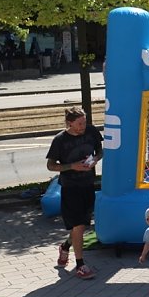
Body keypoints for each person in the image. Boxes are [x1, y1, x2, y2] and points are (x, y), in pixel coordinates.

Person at [46, 106, 103, 280]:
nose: (83, 126)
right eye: (79, 123)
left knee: (82, 225)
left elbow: (100, 151)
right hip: (70, 187)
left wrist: (94, 160)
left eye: (84, 122)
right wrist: (72, 166)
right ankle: (80, 265)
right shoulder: (60, 140)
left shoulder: (91, 131)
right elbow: (50, 165)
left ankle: (65, 246)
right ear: (69, 123)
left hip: (87, 184)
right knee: (78, 225)